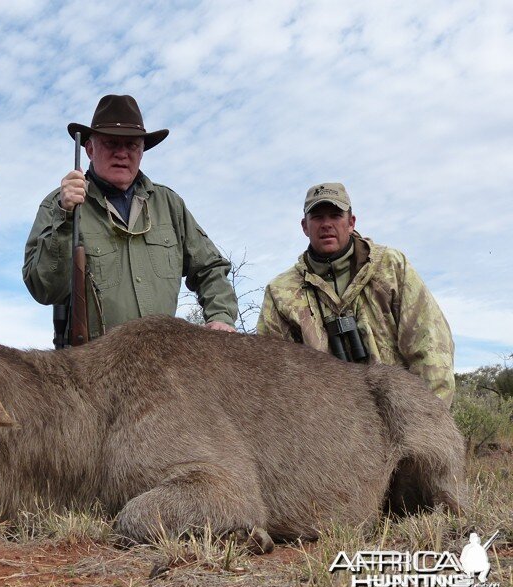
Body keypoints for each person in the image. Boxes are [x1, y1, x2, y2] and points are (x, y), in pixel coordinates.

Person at [23, 94, 238, 340]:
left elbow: (209, 267)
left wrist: (220, 317)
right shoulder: (57, 205)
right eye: (111, 144)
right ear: (90, 149)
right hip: (91, 369)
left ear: (142, 151)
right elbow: (44, 289)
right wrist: (66, 216)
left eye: (131, 145)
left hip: (166, 365)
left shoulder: (169, 205)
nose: (122, 154)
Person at [257, 182, 455, 406]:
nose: (326, 224)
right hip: (323, 422)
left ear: (351, 222)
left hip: (399, 414)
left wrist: (428, 422)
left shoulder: (391, 267)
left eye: (335, 215)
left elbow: (431, 348)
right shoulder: (280, 291)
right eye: (318, 217)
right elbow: (270, 373)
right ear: (305, 226)